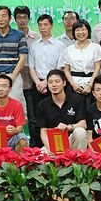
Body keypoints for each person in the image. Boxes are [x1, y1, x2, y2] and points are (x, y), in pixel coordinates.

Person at [28, 14, 65, 147]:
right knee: (36, 116)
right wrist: (38, 83)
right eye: (40, 25)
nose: (43, 28)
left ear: (51, 26)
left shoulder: (60, 45)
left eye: (46, 25)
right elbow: (31, 67)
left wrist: (47, 82)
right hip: (37, 85)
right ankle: (37, 146)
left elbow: (59, 67)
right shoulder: (34, 46)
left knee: (54, 114)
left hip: (54, 84)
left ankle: (56, 145)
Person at [36, 69, 88, 153]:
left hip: (71, 140)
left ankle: (79, 159)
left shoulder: (76, 99)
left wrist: (68, 127)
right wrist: (51, 149)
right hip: (54, 143)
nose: (54, 85)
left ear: (64, 83)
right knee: (39, 156)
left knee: (80, 131)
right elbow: (43, 132)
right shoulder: (43, 104)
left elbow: (83, 124)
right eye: (50, 82)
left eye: (57, 81)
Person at [0, 5, 28, 101]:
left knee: (14, 107)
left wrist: (12, 78)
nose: (1, 19)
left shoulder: (19, 35)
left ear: (10, 19)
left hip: (13, 77)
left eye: (4, 16)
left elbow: (22, 59)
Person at [63, 19, 101, 116]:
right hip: (74, 85)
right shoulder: (69, 49)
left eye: (83, 29)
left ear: (88, 31)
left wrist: (90, 85)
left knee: (91, 112)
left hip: (91, 83)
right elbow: (66, 69)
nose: (80, 32)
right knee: (74, 112)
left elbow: (97, 68)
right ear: (74, 32)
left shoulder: (96, 47)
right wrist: (73, 84)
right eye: (77, 30)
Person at [13, 5, 40, 147]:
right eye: (19, 18)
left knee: (32, 115)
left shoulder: (36, 38)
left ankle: (34, 145)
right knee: (14, 115)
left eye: (24, 17)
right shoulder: (11, 36)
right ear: (14, 19)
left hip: (31, 82)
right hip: (15, 81)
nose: (22, 20)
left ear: (29, 18)